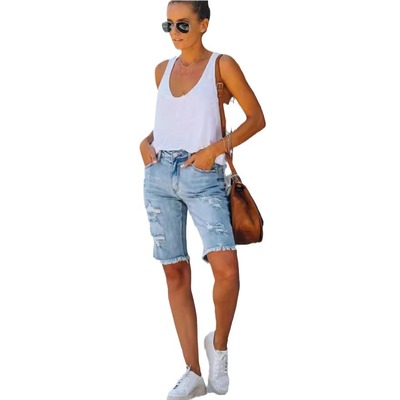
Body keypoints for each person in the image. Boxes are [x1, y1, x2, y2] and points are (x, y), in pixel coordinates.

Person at [140, 1, 265, 399]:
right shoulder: (161, 70)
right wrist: (145, 143)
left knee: (226, 270)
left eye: (182, 24)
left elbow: (256, 118)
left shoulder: (221, 65)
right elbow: (175, 122)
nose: (174, 32)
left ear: (203, 24)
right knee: (175, 273)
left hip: (204, 175)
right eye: (168, 25)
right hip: (159, 176)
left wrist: (214, 150)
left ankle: (219, 347)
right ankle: (192, 372)